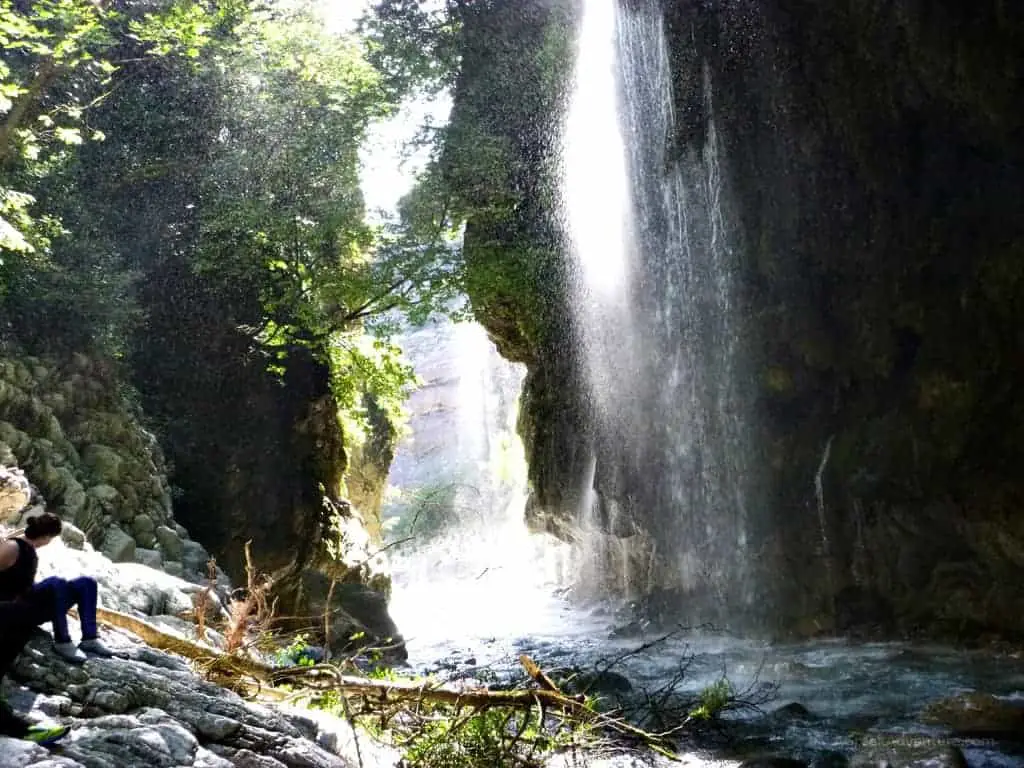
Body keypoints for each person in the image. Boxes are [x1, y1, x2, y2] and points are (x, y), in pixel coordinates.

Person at [0, 512, 117, 663]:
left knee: (87, 583)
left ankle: (90, 638)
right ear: (47, 537)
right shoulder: (12, 547)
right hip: (15, 604)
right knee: (56, 583)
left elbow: (21, 535)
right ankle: (63, 640)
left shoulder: (25, 546)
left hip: (31, 599)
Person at [0, 514, 71, 745]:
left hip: (12, 621)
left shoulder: (22, 549)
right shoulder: (13, 547)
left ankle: (18, 726)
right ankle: (21, 729)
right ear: (48, 537)